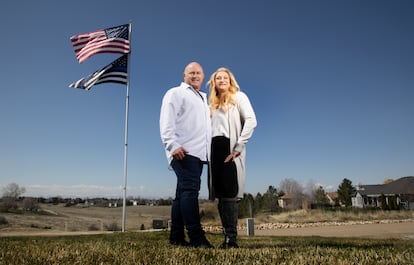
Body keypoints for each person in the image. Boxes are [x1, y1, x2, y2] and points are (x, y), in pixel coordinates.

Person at [159, 62, 213, 248]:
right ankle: (197, 238)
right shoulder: (176, 93)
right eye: (191, 73)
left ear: (203, 76)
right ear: (184, 75)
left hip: (199, 155)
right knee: (190, 192)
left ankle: (176, 238)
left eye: (198, 73)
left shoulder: (203, 99)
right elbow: (166, 120)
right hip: (183, 152)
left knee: (182, 195)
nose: (195, 75)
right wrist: (172, 144)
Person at [207, 67, 257, 249]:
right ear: (214, 82)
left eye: (225, 77)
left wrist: (239, 146)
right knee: (220, 195)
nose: (222, 80)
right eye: (218, 78)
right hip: (214, 150)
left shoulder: (239, 97)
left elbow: (251, 120)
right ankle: (226, 237)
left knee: (230, 194)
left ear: (230, 80)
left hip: (230, 149)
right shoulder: (210, 104)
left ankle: (232, 240)